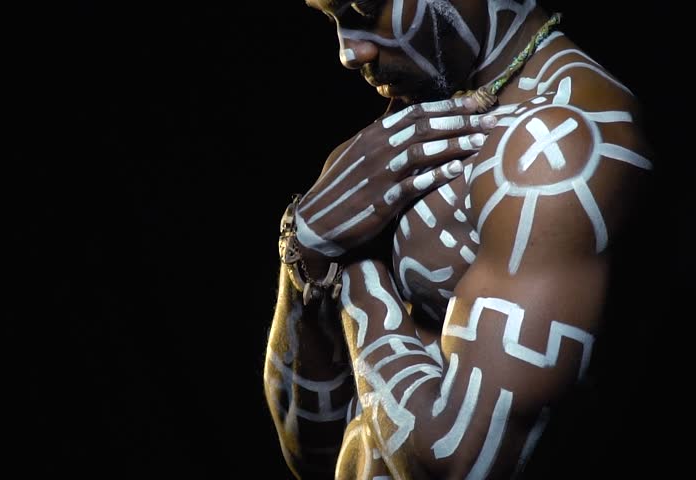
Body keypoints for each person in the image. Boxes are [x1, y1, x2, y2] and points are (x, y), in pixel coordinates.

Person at [264, 0, 653, 478]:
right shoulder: (396, 140)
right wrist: (303, 249)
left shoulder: (557, 151)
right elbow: (311, 458)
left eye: (363, 11)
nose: (349, 53)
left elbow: (463, 465)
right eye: (332, 18)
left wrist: (351, 265)